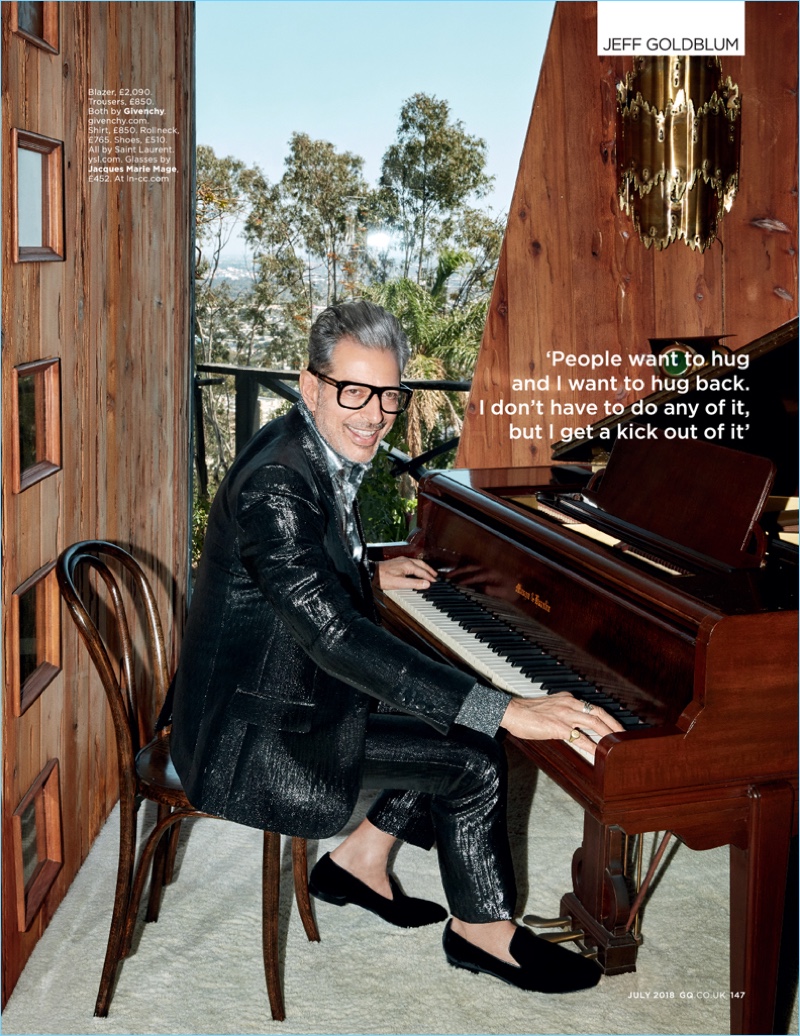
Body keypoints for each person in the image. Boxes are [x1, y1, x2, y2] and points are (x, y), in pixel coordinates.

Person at [171, 300, 622, 994]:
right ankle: (483, 933)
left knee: (435, 696)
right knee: (473, 752)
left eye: (387, 393)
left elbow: (298, 573)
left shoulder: (304, 444)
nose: (374, 413)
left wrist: (366, 571)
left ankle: (359, 862)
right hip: (249, 737)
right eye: (353, 390)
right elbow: (330, 632)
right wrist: (505, 710)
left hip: (257, 690)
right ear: (311, 385)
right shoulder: (277, 484)